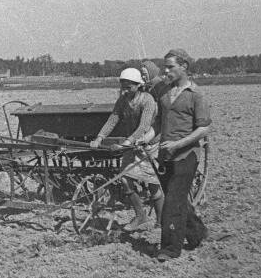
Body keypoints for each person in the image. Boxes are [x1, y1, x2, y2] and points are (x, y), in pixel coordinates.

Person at [90, 68, 163, 230]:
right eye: (123, 86)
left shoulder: (147, 100)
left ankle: (161, 220)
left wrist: (127, 142)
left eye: (129, 86)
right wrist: (99, 137)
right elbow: (112, 119)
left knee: (152, 184)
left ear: (138, 85)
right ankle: (141, 215)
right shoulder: (123, 100)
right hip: (132, 145)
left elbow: (144, 126)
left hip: (149, 145)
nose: (125, 89)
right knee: (124, 178)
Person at [155, 49, 211, 261]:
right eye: (165, 66)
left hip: (187, 155)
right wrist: (143, 138)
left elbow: (203, 129)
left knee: (172, 202)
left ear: (184, 67)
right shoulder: (164, 94)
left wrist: (178, 143)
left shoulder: (197, 95)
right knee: (177, 199)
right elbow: (158, 124)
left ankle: (169, 249)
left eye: (170, 66)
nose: (166, 70)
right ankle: (197, 233)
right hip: (165, 155)